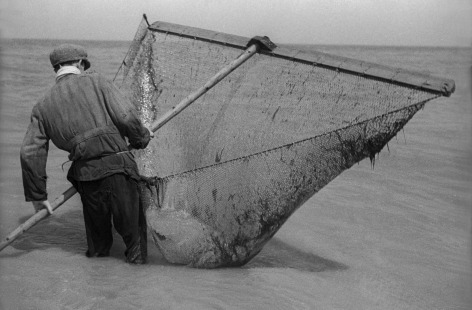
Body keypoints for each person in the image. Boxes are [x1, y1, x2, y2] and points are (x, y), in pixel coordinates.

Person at [20, 44, 153, 264]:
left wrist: (38, 196)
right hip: (120, 167)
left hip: (87, 177)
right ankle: (135, 289)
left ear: (56, 68)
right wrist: (142, 138)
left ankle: (96, 286)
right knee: (135, 242)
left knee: (98, 247)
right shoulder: (97, 81)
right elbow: (126, 117)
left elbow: (30, 152)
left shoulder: (41, 106)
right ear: (81, 63)